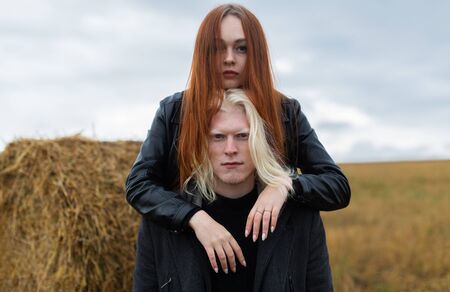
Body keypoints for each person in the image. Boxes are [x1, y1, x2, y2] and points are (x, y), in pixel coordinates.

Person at [126, 3, 350, 277]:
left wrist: (283, 186)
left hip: (267, 253)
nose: (229, 58)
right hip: (192, 257)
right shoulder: (175, 112)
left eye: (241, 48)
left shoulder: (285, 112)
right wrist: (194, 218)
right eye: (219, 48)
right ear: (204, 54)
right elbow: (138, 185)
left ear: (255, 53)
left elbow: (337, 186)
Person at [131, 89, 334, 292]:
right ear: (203, 145)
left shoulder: (301, 217)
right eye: (218, 137)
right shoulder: (162, 222)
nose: (230, 149)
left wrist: (284, 186)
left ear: (259, 142)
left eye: (242, 136)